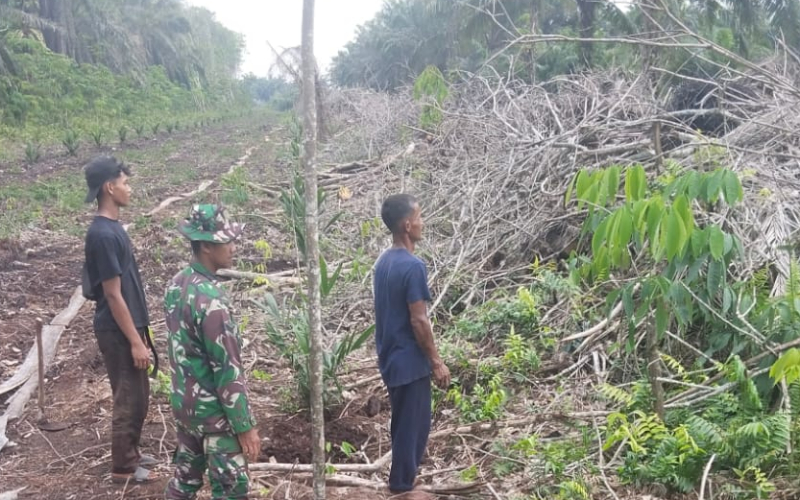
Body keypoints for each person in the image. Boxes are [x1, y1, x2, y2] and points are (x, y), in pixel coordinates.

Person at [164, 204, 259, 500]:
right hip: (216, 417)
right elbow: (227, 369)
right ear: (205, 246)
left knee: (184, 481)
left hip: (185, 407)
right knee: (233, 491)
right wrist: (244, 426)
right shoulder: (212, 301)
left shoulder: (177, 284)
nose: (233, 247)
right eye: (226, 241)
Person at [83, 156, 156, 484]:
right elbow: (113, 295)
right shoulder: (102, 235)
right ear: (109, 188)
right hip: (117, 329)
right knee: (128, 396)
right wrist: (135, 341)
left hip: (128, 325)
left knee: (139, 395)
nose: (129, 188)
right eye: (125, 183)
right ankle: (123, 468)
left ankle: (132, 451)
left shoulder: (112, 229)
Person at [373, 194, 451, 499]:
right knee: (413, 427)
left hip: (390, 358)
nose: (422, 222)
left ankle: (403, 479)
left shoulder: (383, 262)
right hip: (409, 361)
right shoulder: (413, 266)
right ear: (407, 225)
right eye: (419, 216)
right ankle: (402, 487)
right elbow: (419, 320)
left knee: (404, 422)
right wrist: (435, 361)